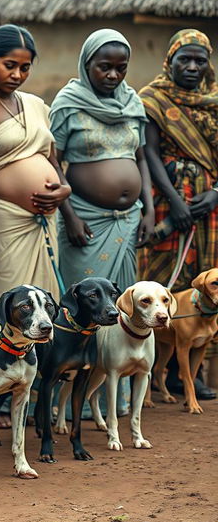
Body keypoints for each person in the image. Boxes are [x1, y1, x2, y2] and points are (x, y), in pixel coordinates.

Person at [0, 24, 70, 304]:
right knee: (8, 301)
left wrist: (64, 188)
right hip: (3, 221)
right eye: (9, 65)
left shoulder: (35, 104)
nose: (17, 75)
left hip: (44, 221)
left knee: (45, 303)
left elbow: (51, 158)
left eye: (25, 67)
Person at [139, 29, 218, 400]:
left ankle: (189, 374)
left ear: (208, 64)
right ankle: (151, 366)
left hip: (209, 204)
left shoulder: (214, 101)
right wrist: (177, 202)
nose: (191, 67)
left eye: (199, 60)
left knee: (205, 280)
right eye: (183, 59)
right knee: (163, 280)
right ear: (168, 61)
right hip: (168, 199)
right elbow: (149, 153)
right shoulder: (153, 99)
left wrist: (214, 194)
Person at [49, 29, 154, 292]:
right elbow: (52, 161)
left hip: (129, 220)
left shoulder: (132, 103)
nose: (113, 75)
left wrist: (148, 210)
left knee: (124, 301)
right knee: (85, 301)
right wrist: (69, 215)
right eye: (104, 67)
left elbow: (141, 160)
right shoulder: (68, 104)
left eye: (121, 68)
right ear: (87, 65)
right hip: (85, 220)